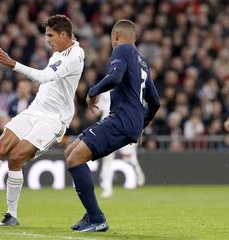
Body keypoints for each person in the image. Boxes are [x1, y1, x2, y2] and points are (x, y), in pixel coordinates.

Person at [0, 15, 85, 226]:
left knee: (15, 157)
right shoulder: (65, 45)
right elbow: (69, 35)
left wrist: (12, 64)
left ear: (64, 35)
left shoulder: (73, 57)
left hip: (54, 119)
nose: (47, 40)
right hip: (34, 110)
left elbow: (42, 77)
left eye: (50, 35)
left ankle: (12, 214)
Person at [64, 19, 160, 232]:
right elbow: (155, 101)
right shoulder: (143, 62)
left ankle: (96, 218)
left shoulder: (122, 50)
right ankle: (91, 214)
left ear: (115, 36)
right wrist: (142, 124)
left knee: (74, 159)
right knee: (71, 151)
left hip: (121, 119)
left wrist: (92, 91)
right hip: (128, 121)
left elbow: (115, 77)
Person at [97, 91, 145, 198]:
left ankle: (138, 171)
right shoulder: (104, 91)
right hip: (107, 127)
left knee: (128, 158)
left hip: (124, 128)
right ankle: (107, 188)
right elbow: (98, 108)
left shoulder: (127, 89)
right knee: (107, 159)